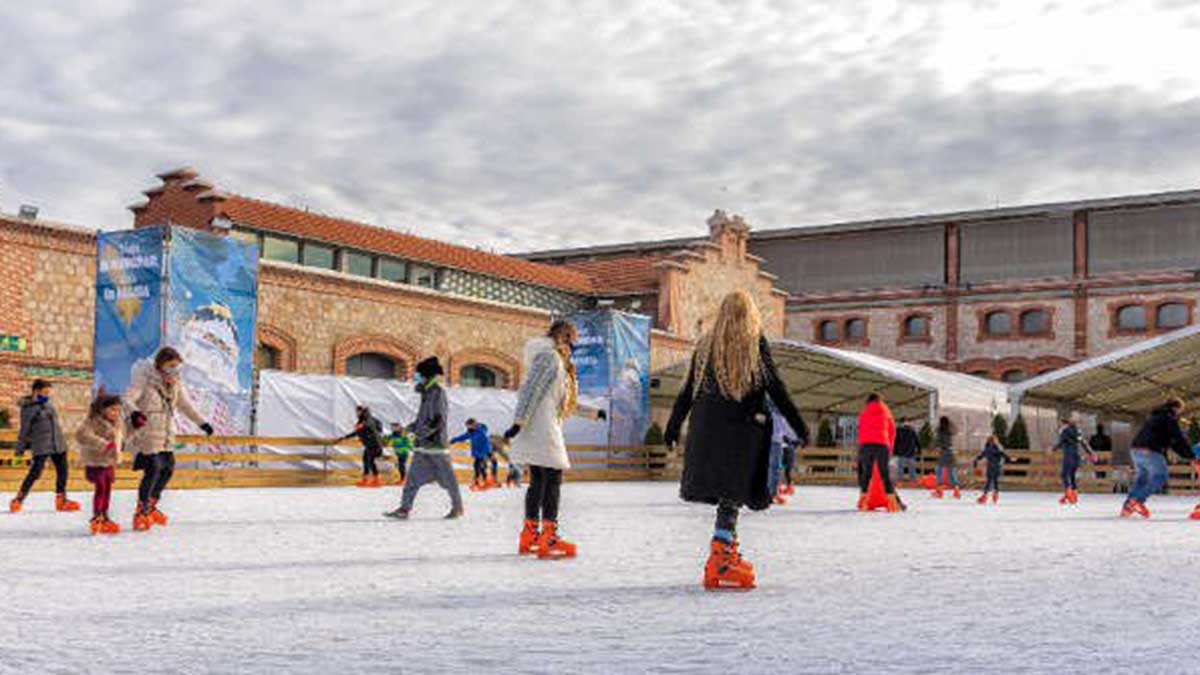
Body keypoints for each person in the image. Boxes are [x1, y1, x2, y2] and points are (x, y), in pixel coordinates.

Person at [665, 291, 808, 591]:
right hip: (739, 431)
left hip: (706, 429)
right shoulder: (753, 343)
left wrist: (673, 426)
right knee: (732, 492)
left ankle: (725, 550)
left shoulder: (706, 345)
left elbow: (687, 391)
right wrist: (799, 426)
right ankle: (722, 557)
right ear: (750, 315)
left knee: (728, 494)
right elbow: (776, 389)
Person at [505, 320, 606, 560]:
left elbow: (563, 402)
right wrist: (518, 422)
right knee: (552, 477)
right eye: (572, 340)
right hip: (540, 425)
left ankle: (530, 535)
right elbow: (530, 390)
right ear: (562, 336)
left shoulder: (558, 361)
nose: (574, 346)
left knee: (539, 480)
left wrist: (593, 413)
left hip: (542, 423)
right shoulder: (549, 357)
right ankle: (548, 538)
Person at [125, 347, 214, 531]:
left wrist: (202, 423)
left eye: (177, 367)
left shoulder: (175, 383)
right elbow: (127, 399)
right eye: (171, 366)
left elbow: (185, 405)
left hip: (166, 433)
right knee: (154, 469)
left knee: (168, 469)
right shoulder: (146, 380)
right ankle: (140, 512)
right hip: (148, 432)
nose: (175, 370)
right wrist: (134, 413)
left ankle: (151, 506)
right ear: (161, 364)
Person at [385, 357, 464, 520]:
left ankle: (458, 508)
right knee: (412, 479)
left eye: (419, 373)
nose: (416, 376)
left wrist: (423, 433)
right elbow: (423, 418)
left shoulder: (438, 392)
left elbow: (438, 420)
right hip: (422, 446)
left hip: (436, 446)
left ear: (426, 374)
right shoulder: (426, 393)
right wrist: (410, 428)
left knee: (449, 480)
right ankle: (404, 509)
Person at [9, 379, 79, 513]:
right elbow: (24, 430)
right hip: (41, 444)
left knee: (63, 471)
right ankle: (18, 499)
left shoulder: (48, 404)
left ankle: (61, 501)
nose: (47, 395)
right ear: (36, 391)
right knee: (35, 473)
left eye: (48, 393)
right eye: (45, 392)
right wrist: (20, 448)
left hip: (57, 443)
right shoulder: (28, 408)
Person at [1122, 399, 1194, 518]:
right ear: (1176, 408)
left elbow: (1171, 441)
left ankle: (1127, 507)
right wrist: (1190, 455)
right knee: (1160, 477)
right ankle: (1136, 501)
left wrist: (1184, 453)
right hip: (1150, 450)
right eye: (1180, 410)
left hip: (1135, 450)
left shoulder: (1154, 417)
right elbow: (1177, 439)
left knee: (1142, 479)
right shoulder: (1169, 419)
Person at [75, 393, 124, 534]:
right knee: (101, 486)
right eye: (113, 409)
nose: (116, 413)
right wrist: (102, 444)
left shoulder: (117, 423)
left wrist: (137, 425)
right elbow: (81, 435)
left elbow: (123, 437)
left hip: (109, 462)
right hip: (95, 461)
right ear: (103, 409)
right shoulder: (92, 421)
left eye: (118, 410)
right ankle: (97, 517)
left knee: (107, 487)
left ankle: (105, 516)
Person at [857, 393, 900, 512]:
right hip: (882, 444)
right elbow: (892, 430)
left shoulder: (864, 413)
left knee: (866, 473)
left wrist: (862, 445)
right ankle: (892, 503)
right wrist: (890, 446)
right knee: (884, 474)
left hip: (866, 445)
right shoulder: (886, 411)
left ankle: (863, 502)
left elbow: (860, 429)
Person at [1049, 418, 1095, 505]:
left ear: (1063, 422)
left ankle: (1069, 495)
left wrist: (1052, 449)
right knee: (1072, 475)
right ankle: (1074, 496)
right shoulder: (1078, 431)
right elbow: (1083, 443)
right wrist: (1091, 453)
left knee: (1064, 475)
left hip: (1068, 455)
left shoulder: (1064, 431)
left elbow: (1061, 443)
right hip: (1077, 455)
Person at [340, 405, 385, 488]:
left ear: (363, 411)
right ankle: (368, 479)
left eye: (359, 411)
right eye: (357, 411)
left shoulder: (368, 419)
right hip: (369, 445)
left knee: (370, 461)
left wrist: (363, 425)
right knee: (366, 460)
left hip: (375, 444)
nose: (357, 413)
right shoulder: (361, 421)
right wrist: (347, 437)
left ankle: (376, 480)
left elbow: (369, 424)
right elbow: (357, 432)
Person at [767, 401, 801, 504]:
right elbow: (786, 428)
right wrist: (796, 438)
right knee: (774, 469)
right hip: (775, 442)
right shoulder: (778, 414)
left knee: (765, 469)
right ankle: (772, 494)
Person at [452, 418, 493, 491]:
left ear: (474, 425)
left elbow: (486, 443)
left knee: (480, 467)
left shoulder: (481, 432)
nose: (468, 428)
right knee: (477, 467)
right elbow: (463, 437)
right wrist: (454, 440)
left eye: (470, 426)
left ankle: (485, 482)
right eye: (468, 426)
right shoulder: (471, 432)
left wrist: (488, 453)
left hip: (482, 453)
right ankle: (480, 482)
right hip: (477, 453)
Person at [973, 435, 1015, 504]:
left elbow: (981, 456)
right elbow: (1002, 454)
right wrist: (1010, 459)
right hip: (997, 467)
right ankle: (995, 495)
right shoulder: (996, 449)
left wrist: (976, 461)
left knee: (989, 482)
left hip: (991, 467)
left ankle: (985, 496)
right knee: (995, 481)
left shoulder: (987, 449)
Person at [932, 416, 960, 499]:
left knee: (939, 470)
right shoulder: (950, 431)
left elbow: (937, 442)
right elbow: (956, 429)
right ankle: (956, 491)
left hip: (943, 452)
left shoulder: (940, 431)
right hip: (951, 452)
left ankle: (939, 491)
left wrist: (934, 446)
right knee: (952, 472)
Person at [893, 418, 921, 487]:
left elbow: (917, 440)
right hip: (902, 452)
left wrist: (919, 449)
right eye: (904, 422)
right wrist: (895, 451)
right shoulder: (898, 431)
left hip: (910, 452)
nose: (906, 423)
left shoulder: (912, 431)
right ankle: (900, 481)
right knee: (901, 468)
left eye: (907, 422)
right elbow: (896, 441)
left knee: (912, 468)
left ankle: (913, 481)